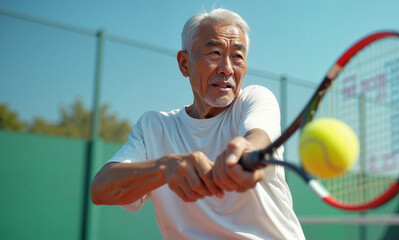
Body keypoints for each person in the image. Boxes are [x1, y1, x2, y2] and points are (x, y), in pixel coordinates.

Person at [90, 8, 305, 240]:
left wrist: (244, 156)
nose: (227, 68)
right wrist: (166, 168)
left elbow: (257, 139)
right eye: (214, 53)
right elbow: (102, 189)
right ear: (184, 63)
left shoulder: (255, 99)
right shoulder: (153, 126)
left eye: (237, 57)